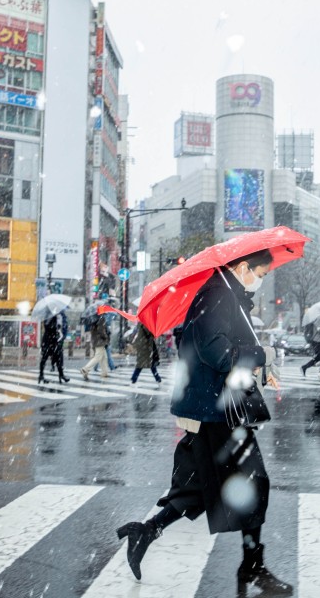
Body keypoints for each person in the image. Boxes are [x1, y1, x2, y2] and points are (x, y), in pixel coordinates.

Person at [114, 249, 291, 594]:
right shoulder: (217, 295)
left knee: (195, 488)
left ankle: (145, 532)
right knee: (253, 483)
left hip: (211, 407)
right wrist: (262, 355)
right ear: (243, 267)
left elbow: (224, 347)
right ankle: (251, 568)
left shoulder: (225, 295)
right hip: (216, 411)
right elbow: (218, 353)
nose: (262, 279)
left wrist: (259, 361)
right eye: (261, 273)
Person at [80, 312, 111, 381]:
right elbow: (101, 331)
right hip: (100, 341)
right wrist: (106, 336)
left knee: (104, 357)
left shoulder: (93, 320)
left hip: (95, 341)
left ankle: (104, 373)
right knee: (98, 357)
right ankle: (85, 369)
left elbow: (94, 331)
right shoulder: (101, 318)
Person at [38, 315, 69, 384]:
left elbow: (58, 328)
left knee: (59, 357)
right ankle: (41, 375)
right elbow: (49, 327)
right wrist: (56, 325)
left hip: (53, 340)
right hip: (49, 341)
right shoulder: (49, 317)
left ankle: (61, 374)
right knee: (44, 358)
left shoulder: (56, 316)